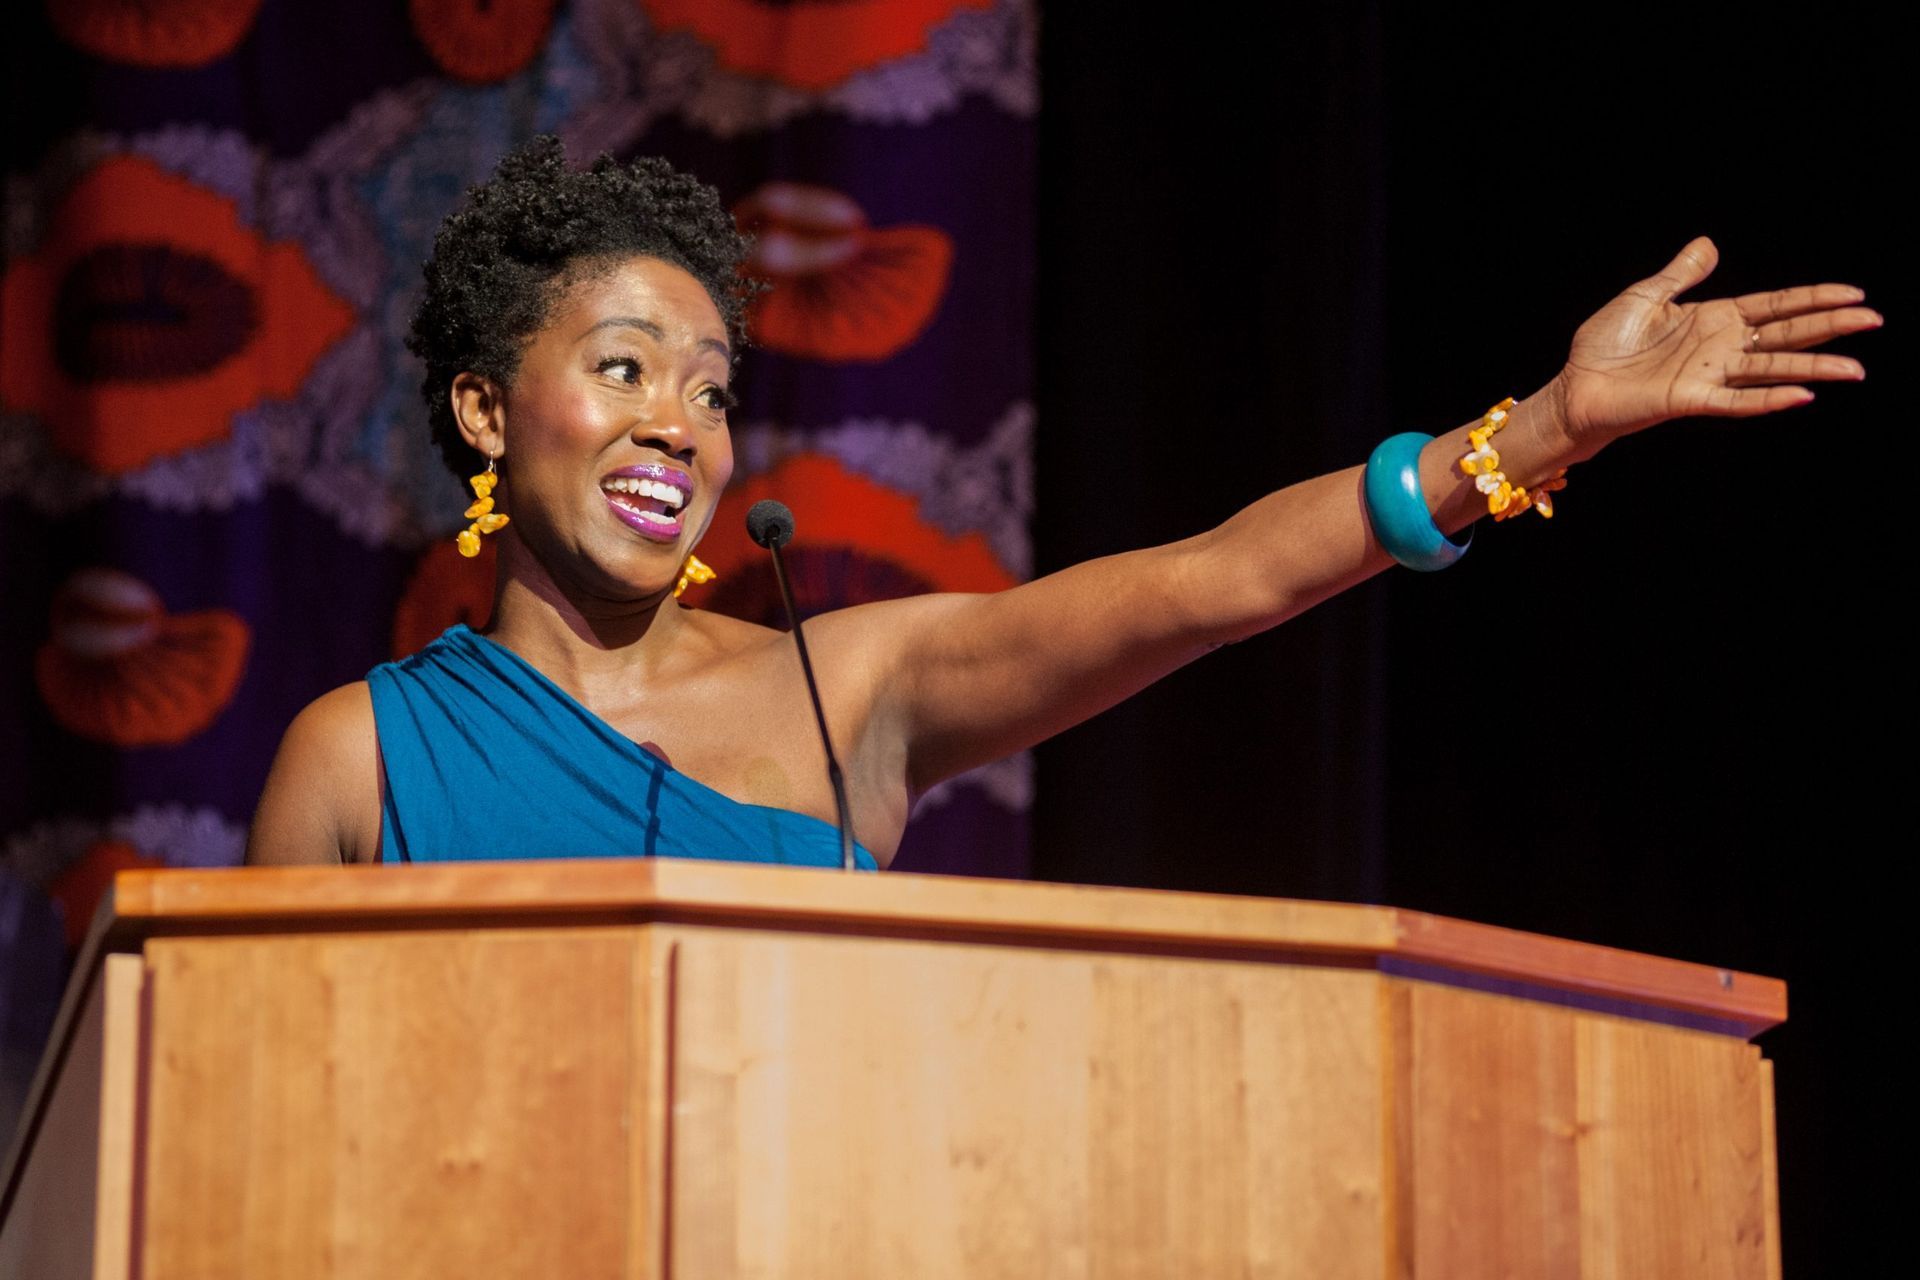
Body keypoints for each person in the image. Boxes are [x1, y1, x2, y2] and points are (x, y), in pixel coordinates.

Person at [244, 137, 1878, 870]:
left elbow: (1205, 583)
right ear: (483, 408)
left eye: (715, 387)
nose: (680, 421)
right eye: (622, 368)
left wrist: (1534, 437)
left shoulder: (849, 687)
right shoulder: (357, 761)